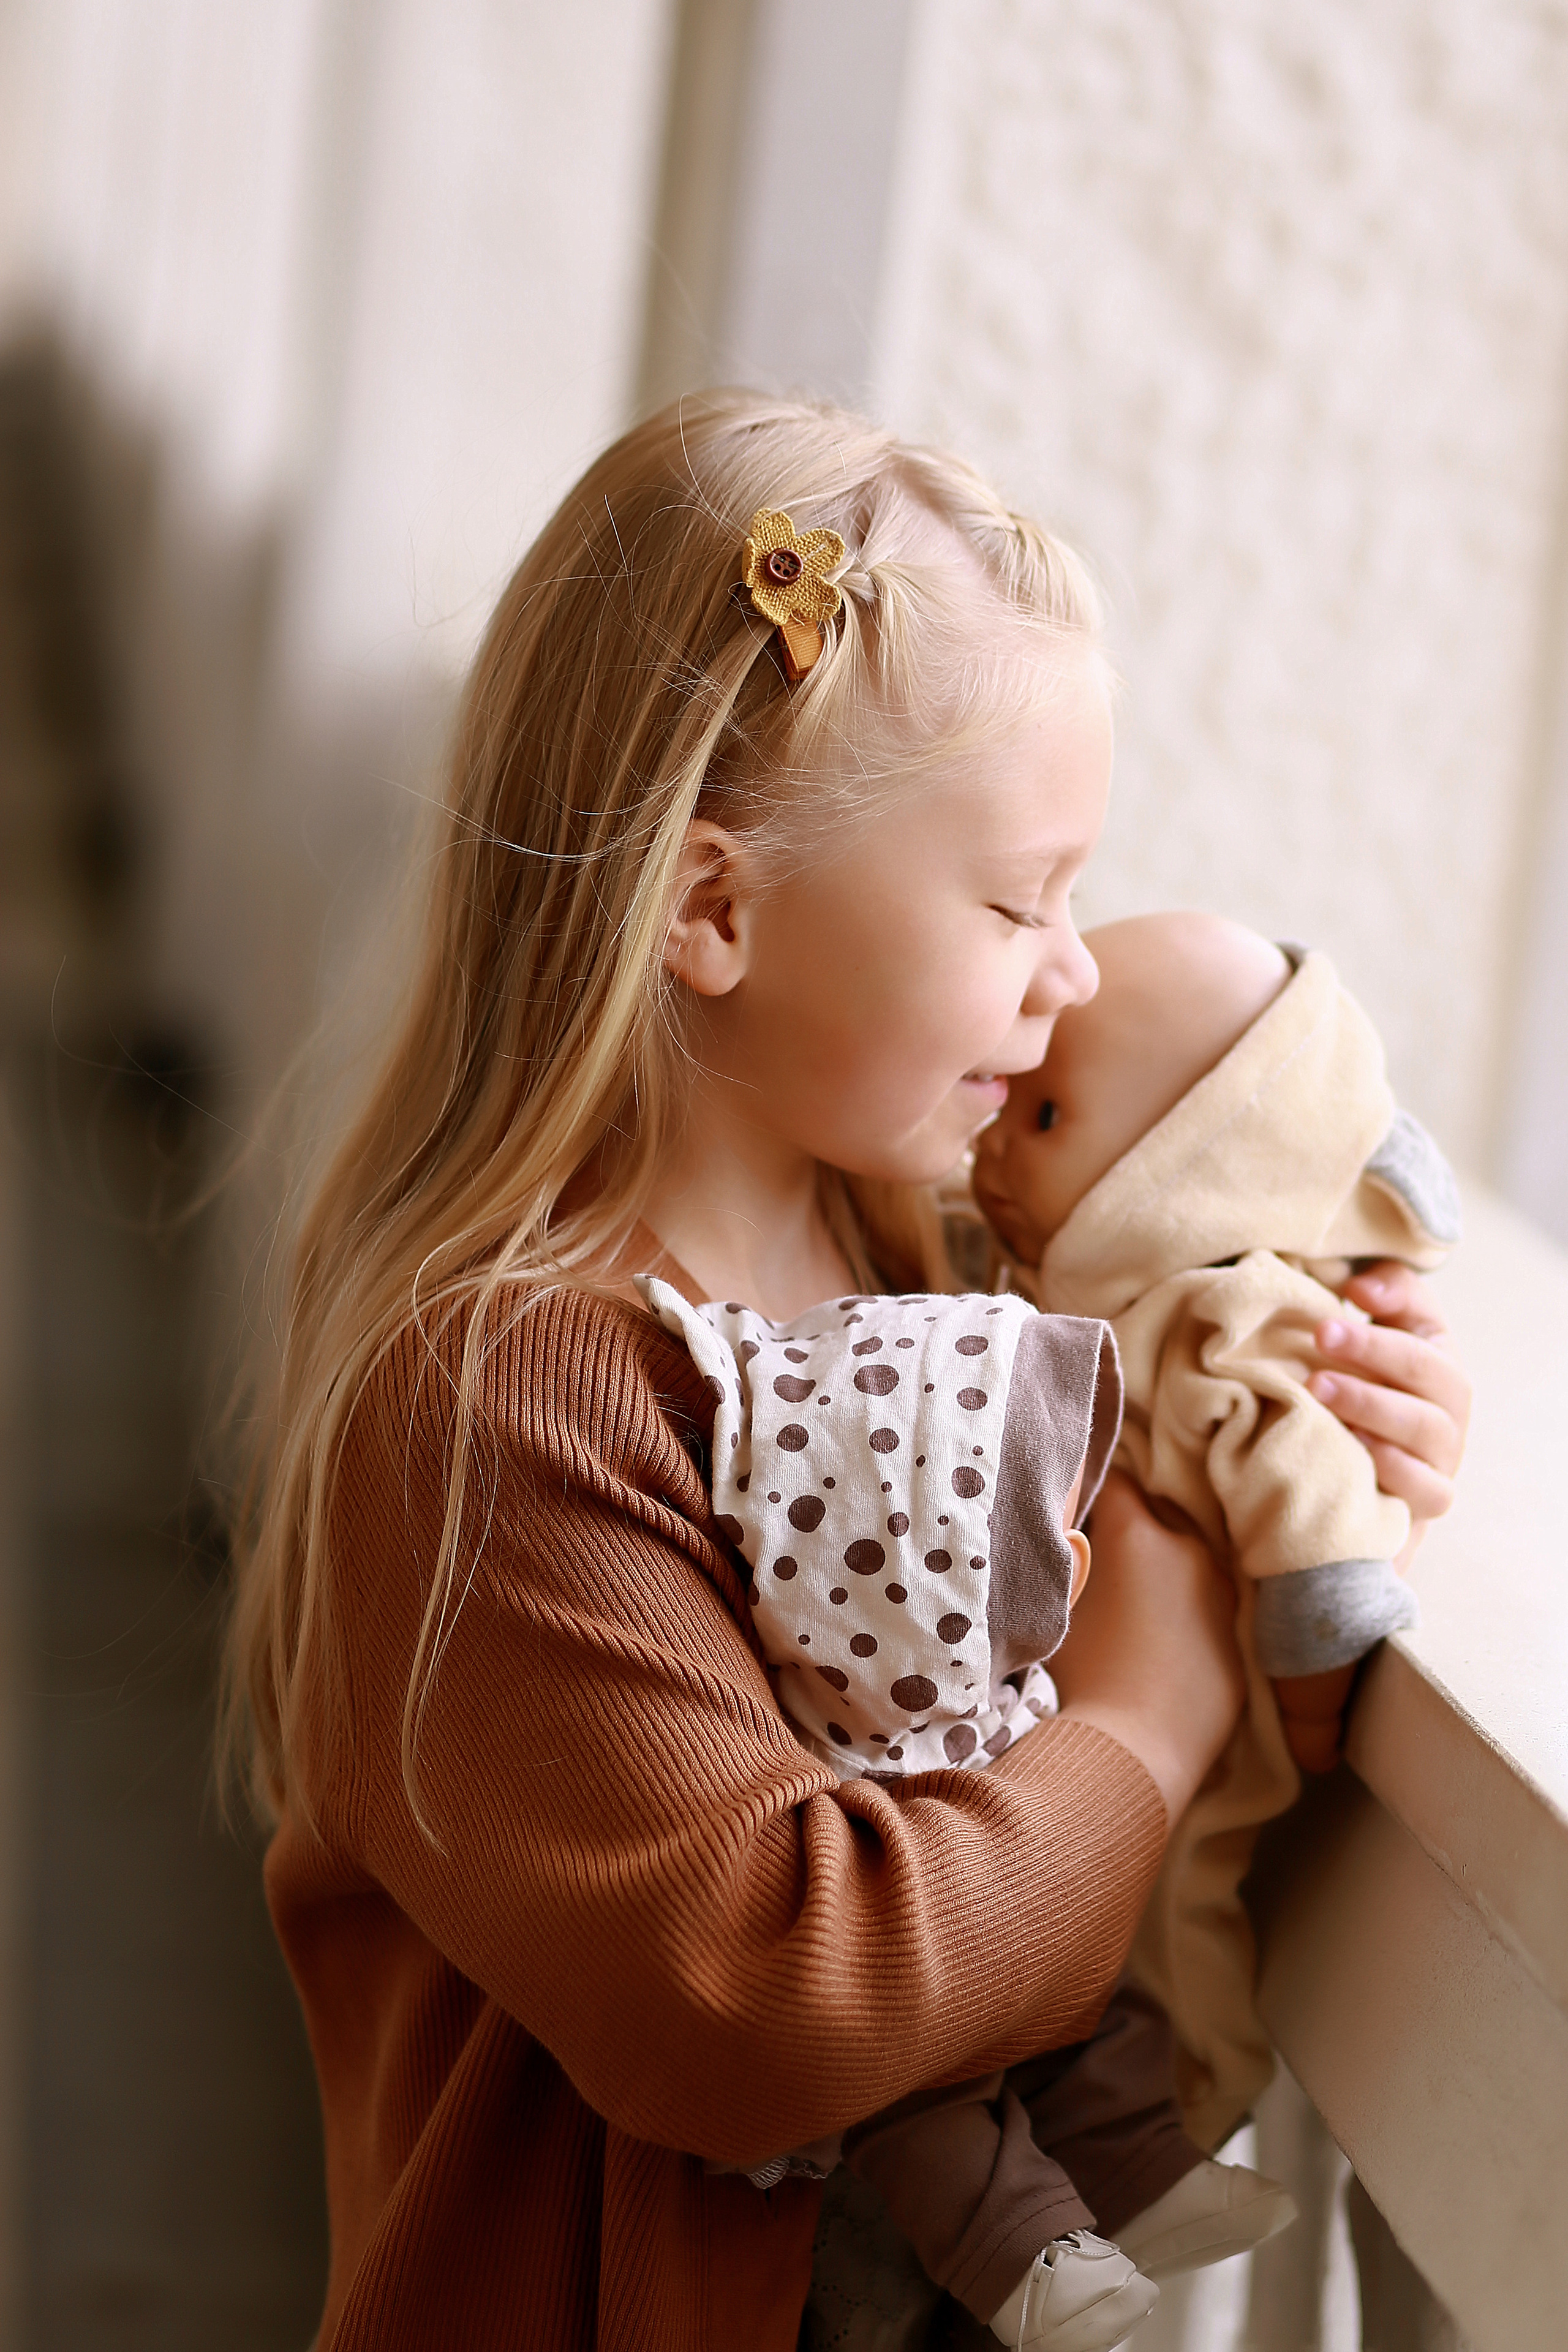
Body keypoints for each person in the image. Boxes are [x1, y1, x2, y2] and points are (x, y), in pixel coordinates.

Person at [222, 393, 1470, 2352]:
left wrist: (1348, 1420)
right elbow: (769, 1995)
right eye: (1014, 899)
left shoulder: (934, 1263)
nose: (1072, 972)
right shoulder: (490, 1412)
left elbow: (1179, 1548)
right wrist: (1140, 1724)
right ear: (714, 909)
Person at [641, 1277, 1297, 2348]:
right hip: (848, 2145)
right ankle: (1027, 2259)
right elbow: (829, 1992)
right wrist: (1152, 1718)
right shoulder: (845, 1770)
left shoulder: (852, 1676)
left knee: (1105, 2009)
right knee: (936, 2120)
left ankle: (1132, 2171)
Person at [971, 910, 1461, 2153]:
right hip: (1032, 1759)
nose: (990, 1150)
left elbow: (1304, 1490)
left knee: (1175, 1909)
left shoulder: (1222, 1322)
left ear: (1176, 1178)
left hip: (1180, 1742)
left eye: (1041, 1119)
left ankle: (1167, 2111)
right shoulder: (1013, 1290)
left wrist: (1312, 1684)